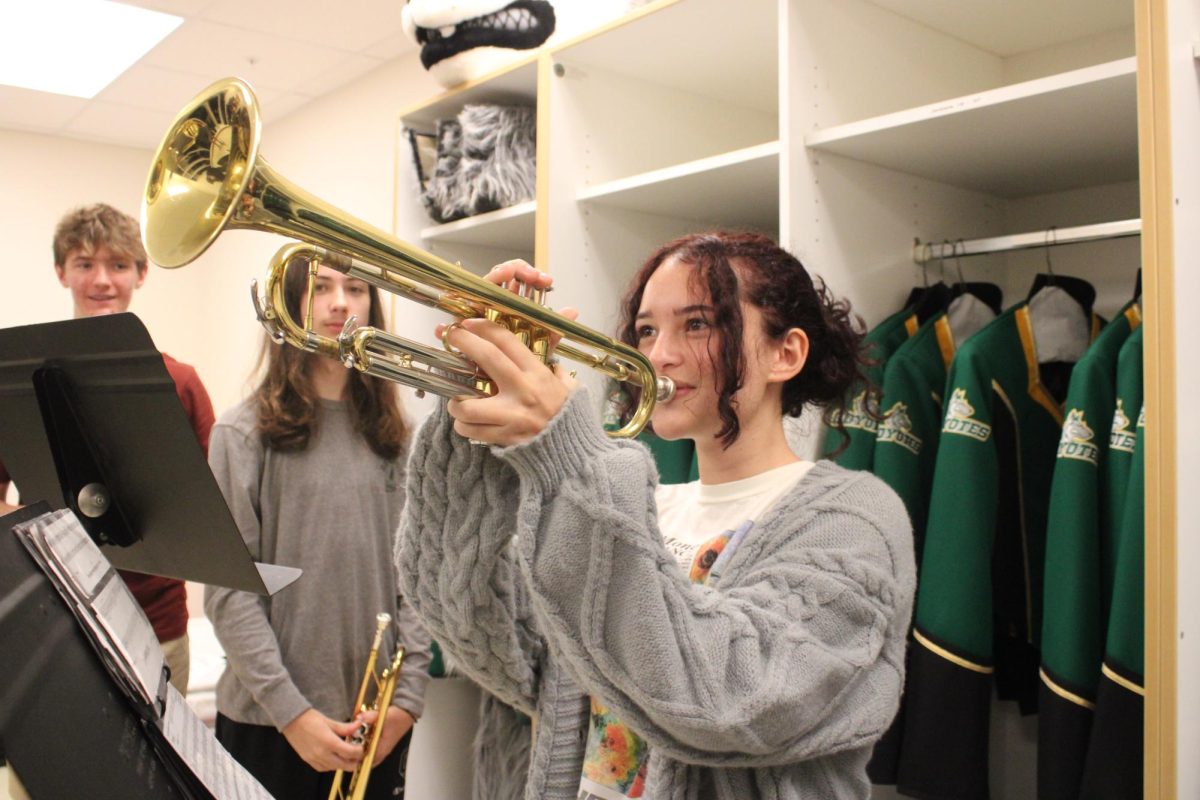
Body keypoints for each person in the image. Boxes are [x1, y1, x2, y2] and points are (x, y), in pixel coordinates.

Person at [397, 231, 917, 799]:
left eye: (697, 324)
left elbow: (728, 701)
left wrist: (572, 458)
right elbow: (484, 632)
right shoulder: (635, 505)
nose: (659, 354)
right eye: (647, 329)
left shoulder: (856, 521)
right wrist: (476, 407)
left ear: (784, 353)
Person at [204, 258, 432, 799]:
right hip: (269, 724)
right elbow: (230, 593)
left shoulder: (401, 439)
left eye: (356, 288)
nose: (340, 304)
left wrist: (407, 701)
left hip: (375, 723)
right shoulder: (240, 435)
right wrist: (293, 715)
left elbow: (419, 581)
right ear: (288, 306)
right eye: (320, 288)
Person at [0, 203, 214, 696]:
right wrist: (51, 532)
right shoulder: (16, 383)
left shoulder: (180, 383)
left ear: (141, 274)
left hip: (156, 630)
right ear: (61, 272)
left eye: (118, 264)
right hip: (51, 621)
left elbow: (211, 509)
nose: (102, 280)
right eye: (84, 264)